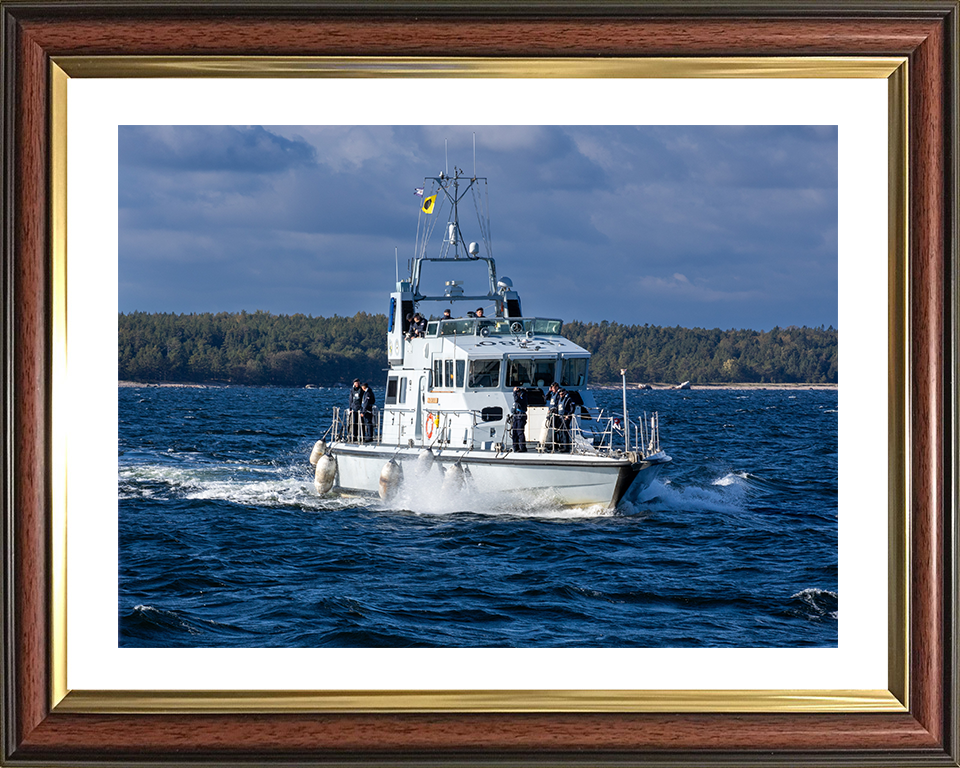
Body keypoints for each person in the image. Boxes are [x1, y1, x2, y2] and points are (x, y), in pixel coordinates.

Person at [556, 388, 575, 453]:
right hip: (560, 417)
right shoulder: (560, 399)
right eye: (560, 394)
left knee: (564, 431)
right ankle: (561, 445)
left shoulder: (569, 399)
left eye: (562, 394)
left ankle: (566, 447)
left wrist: (568, 415)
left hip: (565, 417)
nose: (561, 395)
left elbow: (572, 409)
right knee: (560, 431)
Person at [511, 386, 528, 453]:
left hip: (521, 417)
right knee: (514, 433)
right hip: (516, 417)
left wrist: (514, 392)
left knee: (520, 432)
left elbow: (517, 400)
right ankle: (515, 447)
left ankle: (523, 447)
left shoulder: (523, 398)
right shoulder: (518, 399)